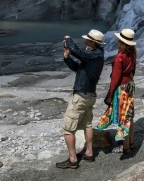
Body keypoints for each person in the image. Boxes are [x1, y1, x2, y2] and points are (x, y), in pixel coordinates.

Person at [56, 29, 105, 169]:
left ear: (93, 42)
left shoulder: (93, 54)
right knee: (87, 125)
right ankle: (89, 153)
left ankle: (73, 159)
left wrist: (68, 39)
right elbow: (79, 68)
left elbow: (79, 52)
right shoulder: (96, 55)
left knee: (68, 128)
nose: (85, 42)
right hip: (90, 96)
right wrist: (67, 58)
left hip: (81, 96)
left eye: (87, 40)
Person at [97, 28, 137, 157]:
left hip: (122, 88)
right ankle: (130, 142)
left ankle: (124, 147)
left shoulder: (119, 57)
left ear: (121, 42)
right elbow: (133, 71)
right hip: (130, 85)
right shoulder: (133, 53)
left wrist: (110, 95)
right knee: (129, 115)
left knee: (122, 117)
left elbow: (115, 78)